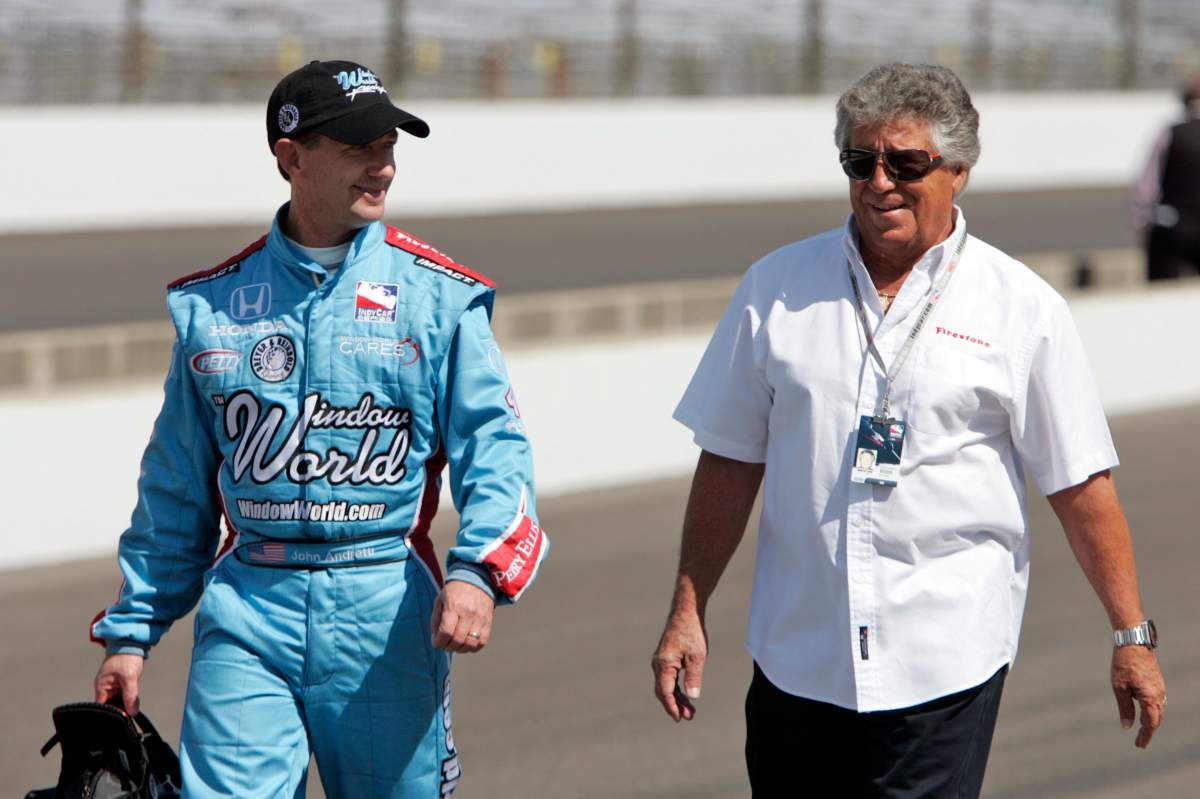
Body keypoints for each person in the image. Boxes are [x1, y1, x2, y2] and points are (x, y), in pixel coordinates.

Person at [651, 62, 1165, 798]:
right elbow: (729, 461)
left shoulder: (1022, 308)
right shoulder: (775, 288)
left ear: (958, 170)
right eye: (861, 162)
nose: (879, 181)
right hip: (799, 664)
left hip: (942, 666)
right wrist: (686, 612)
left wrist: (1131, 635)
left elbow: (1079, 481)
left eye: (906, 163)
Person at [89, 59, 548, 798]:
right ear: (291, 156)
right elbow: (174, 489)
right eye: (361, 144)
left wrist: (479, 572)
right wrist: (131, 632)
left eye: (391, 143)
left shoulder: (440, 297)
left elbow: (496, 451)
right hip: (248, 609)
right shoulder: (214, 306)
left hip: (388, 609)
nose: (384, 163)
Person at [1132, 75, 1200, 280]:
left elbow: (1146, 187)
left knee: (1161, 293)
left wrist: (1141, 220)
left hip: (1172, 228)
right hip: (1177, 227)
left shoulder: (1172, 133)